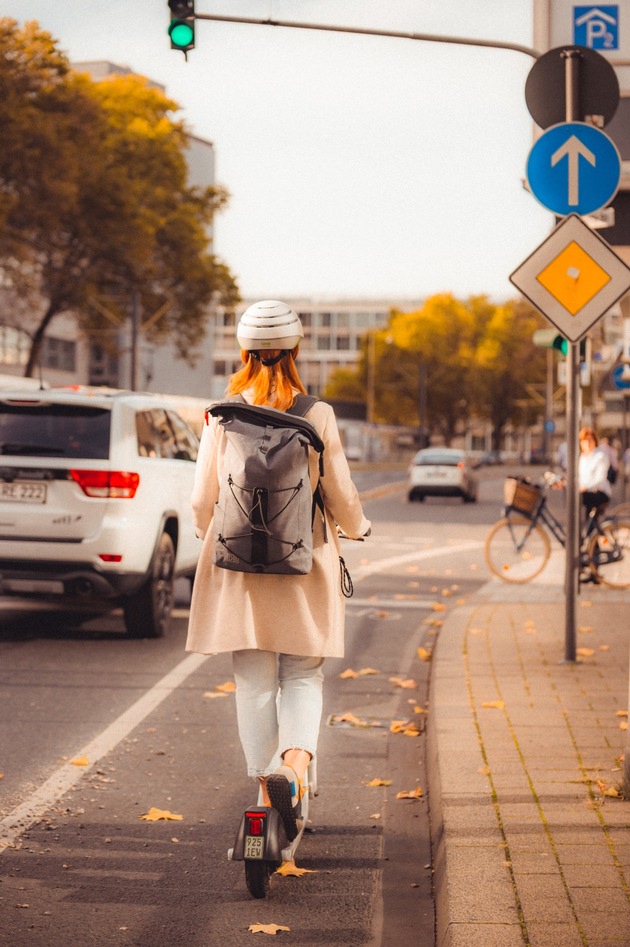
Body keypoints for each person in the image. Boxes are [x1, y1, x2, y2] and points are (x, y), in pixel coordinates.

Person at [186, 300, 371, 840]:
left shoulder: (222, 414)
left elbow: (203, 497)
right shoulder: (316, 413)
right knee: (303, 673)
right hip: (304, 562)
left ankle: (265, 794)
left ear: (244, 351)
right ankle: (292, 767)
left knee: (253, 681)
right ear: (295, 351)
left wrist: (206, 531)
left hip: (238, 568)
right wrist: (357, 527)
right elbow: (338, 491)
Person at [578, 426, 611, 518]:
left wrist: (585, 487)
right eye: (584, 441)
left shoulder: (600, 456)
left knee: (578, 500)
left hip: (600, 492)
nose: (587, 443)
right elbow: (580, 477)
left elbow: (600, 479)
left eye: (590, 440)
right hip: (588, 492)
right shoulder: (582, 458)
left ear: (595, 441)